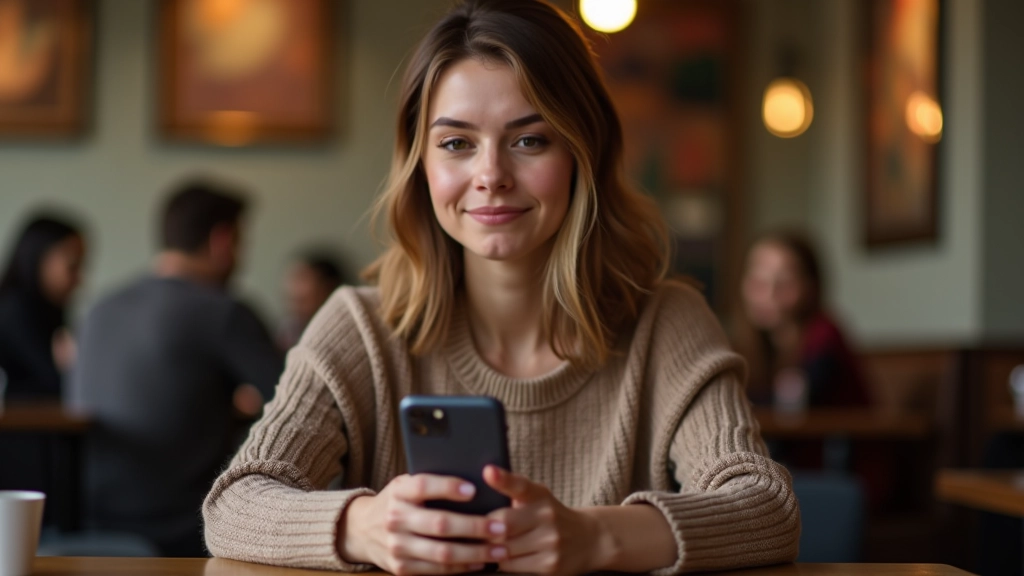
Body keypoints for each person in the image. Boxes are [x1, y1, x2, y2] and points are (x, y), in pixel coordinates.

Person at [203, 1, 800, 574]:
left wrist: (595, 537)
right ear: (421, 163)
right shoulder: (359, 326)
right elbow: (234, 504)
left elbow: (767, 508)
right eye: (457, 143)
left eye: (529, 139)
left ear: (581, 152)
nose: (490, 175)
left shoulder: (667, 321)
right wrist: (365, 525)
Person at [69, 179, 284, 557]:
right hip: (185, 529)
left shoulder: (98, 311)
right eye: (240, 242)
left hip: (88, 522)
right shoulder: (222, 311)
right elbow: (296, 403)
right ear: (221, 240)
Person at [737, 231, 871, 409]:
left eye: (784, 283)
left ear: (810, 287)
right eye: (759, 281)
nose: (769, 295)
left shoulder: (824, 337)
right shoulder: (751, 344)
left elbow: (792, 407)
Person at [0, 213, 87, 399]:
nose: (79, 279)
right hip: (23, 425)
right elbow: (57, 383)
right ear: (39, 258)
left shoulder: (51, 312)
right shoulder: (15, 311)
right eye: (73, 266)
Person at [277, 250, 345, 350]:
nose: (293, 288)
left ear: (327, 287)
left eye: (302, 278)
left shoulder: (343, 329)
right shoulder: (287, 330)